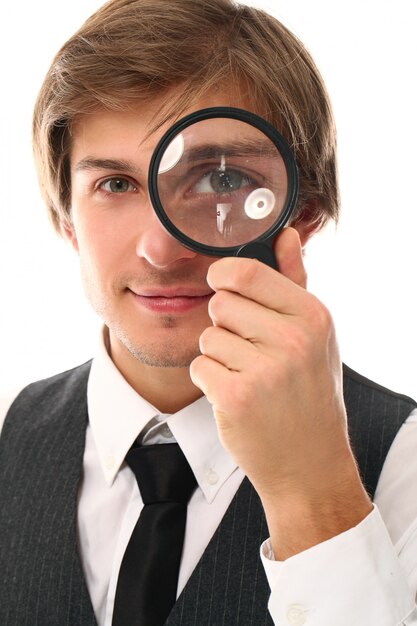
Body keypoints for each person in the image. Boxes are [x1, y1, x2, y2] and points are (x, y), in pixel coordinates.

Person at [0, 0, 416, 625]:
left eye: (221, 181)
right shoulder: (7, 431)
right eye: (115, 185)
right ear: (65, 217)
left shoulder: (404, 461)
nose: (159, 249)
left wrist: (313, 497)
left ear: (305, 213)